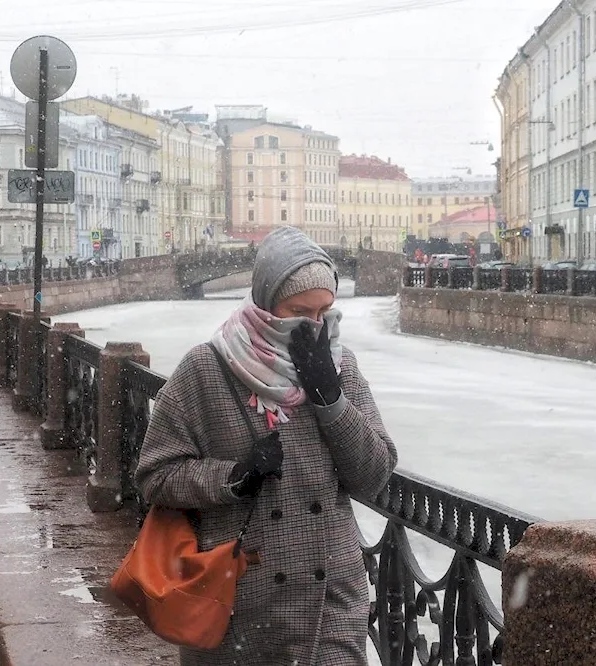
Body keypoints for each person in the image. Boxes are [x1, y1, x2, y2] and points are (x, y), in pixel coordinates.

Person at [134, 226, 398, 666]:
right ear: (266, 304)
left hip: (329, 598)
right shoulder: (207, 368)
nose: (314, 328)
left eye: (324, 313)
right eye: (299, 311)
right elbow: (155, 476)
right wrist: (234, 478)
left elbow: (373, 475)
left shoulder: (339, 365)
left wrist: (330, 401)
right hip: (235, 599)